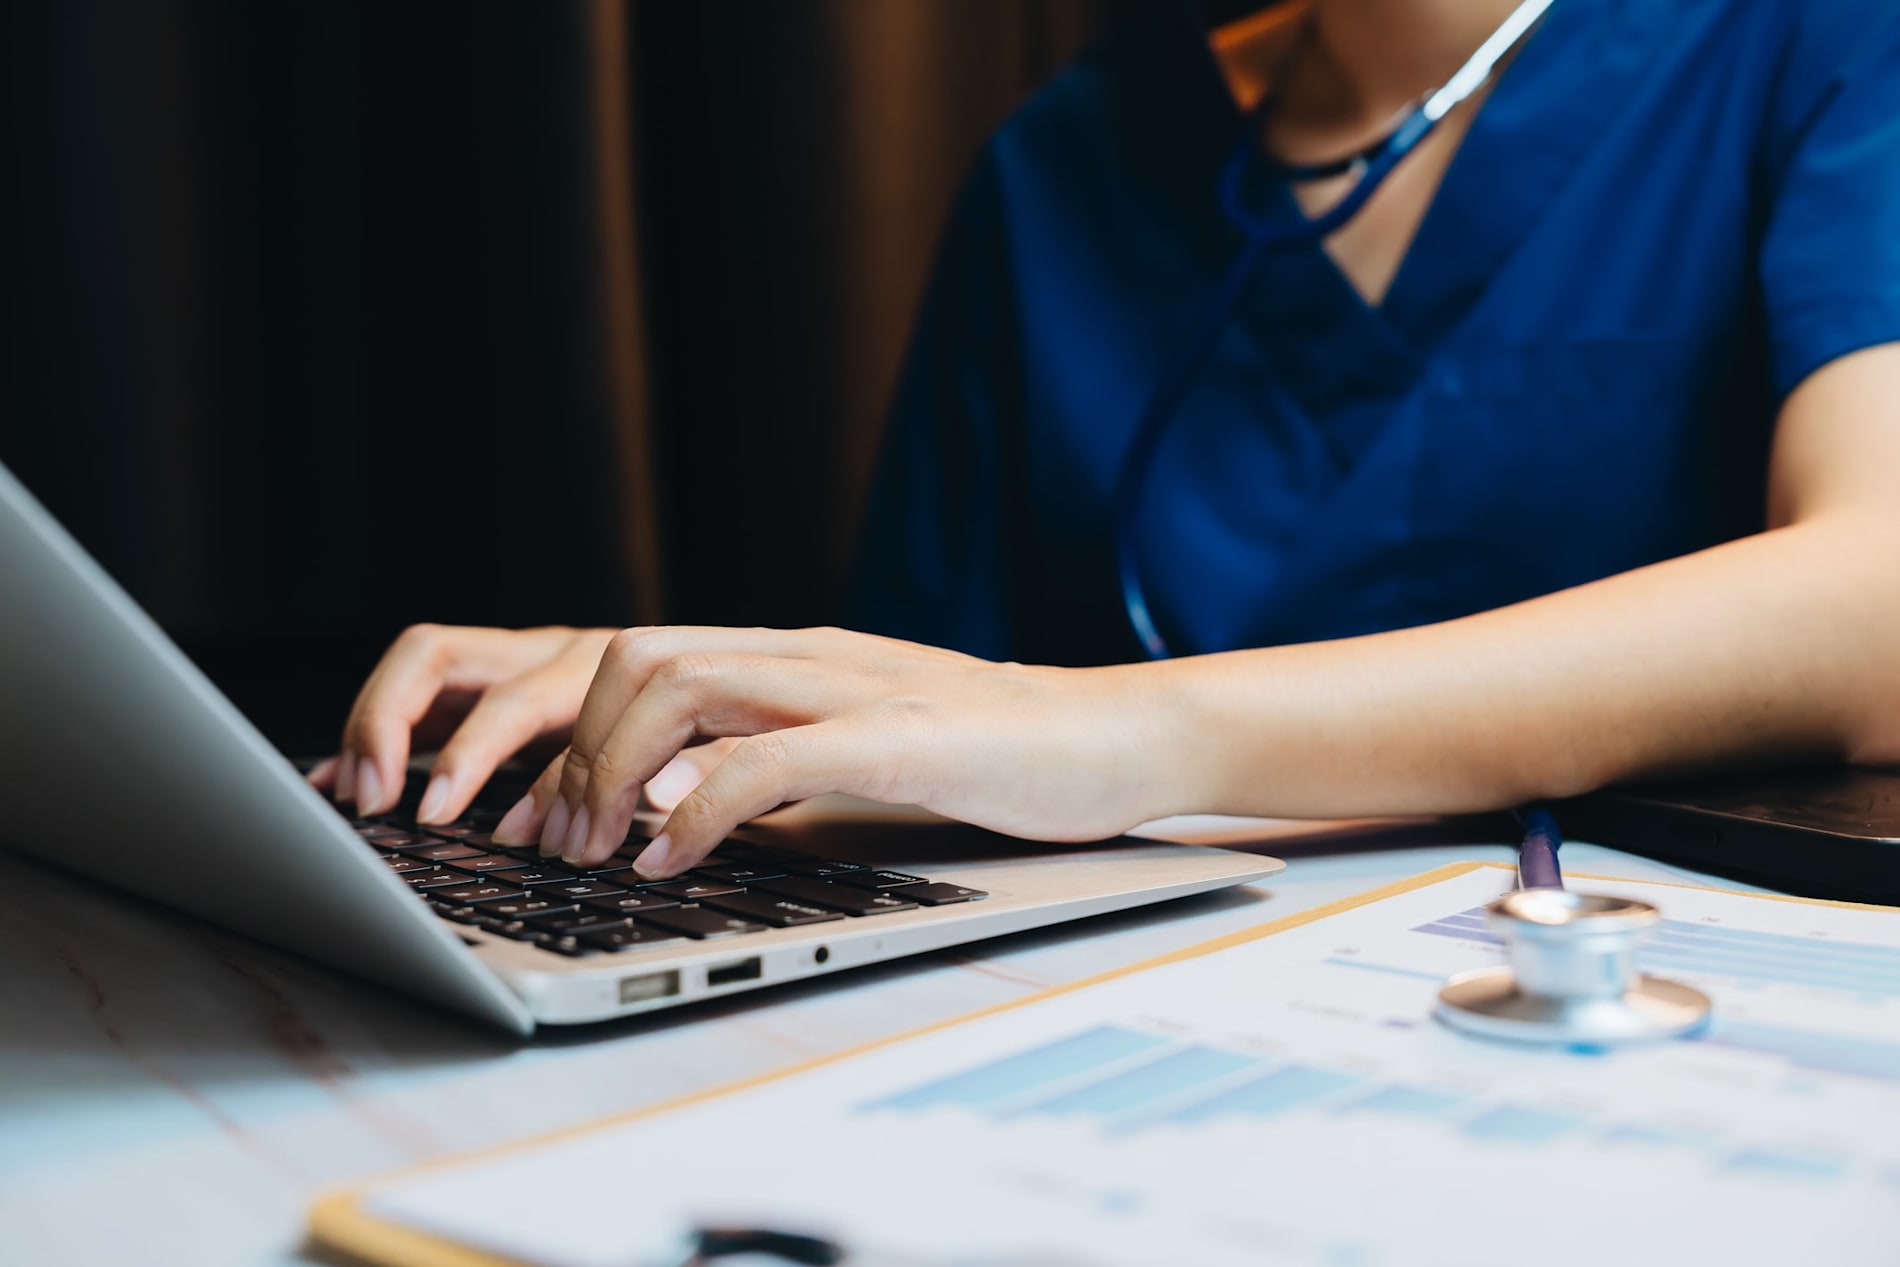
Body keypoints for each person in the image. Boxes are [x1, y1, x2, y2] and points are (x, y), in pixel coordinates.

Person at [311, 0, 1900, 885]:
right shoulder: (1067, 162)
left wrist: (1122, 731)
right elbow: (916, 719)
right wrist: (674, 715)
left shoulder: (1821, 41)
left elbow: (1877, 601)